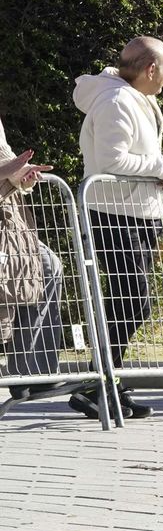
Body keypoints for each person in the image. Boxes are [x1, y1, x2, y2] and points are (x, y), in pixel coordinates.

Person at [73, 37, 163, 421]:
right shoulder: (116, 101)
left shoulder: (134, 97)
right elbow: (110, 160)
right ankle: (97, 383)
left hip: (136, 213)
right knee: (133, 301)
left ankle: (106, 382)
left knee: (126, 302)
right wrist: (157, 168)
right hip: (115, 214)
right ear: (151, 69)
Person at [0, 118, 64, 408]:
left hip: (9, 216)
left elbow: (7, 163)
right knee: (45, 266)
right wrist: (9, 172)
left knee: (47, 266)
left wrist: (22, 177)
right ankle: (29, 371)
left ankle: (34, 370)